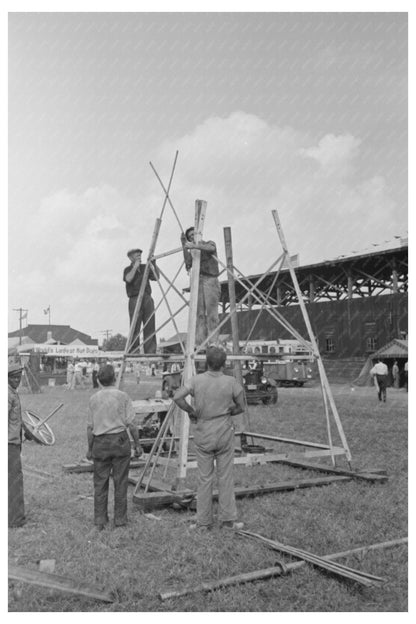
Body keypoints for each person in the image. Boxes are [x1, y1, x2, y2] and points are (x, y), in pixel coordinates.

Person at [173, 346, 245, 530]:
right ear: (224, 363)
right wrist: (230, 410)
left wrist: (191, 411)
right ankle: (228, 520)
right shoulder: (231, 381)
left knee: (204, 479)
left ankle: (203, 522)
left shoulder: (196, 380)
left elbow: (177, 396)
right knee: (225, 477)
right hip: (224, 432)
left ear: (206, 362)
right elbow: (241, 406)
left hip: (204, 432)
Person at [86, 364, 142, 530]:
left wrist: (90, 449)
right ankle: (120, 520)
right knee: (121, 482)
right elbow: (131, 424)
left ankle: (100, 520)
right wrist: (137, 445)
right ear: (114, 378)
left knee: (100, 483)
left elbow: (90, 428)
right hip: (120, 442)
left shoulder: (93, 399)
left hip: (100, 443)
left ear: (98, 380)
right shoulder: (123, 396)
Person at [181, 227, 221, 348]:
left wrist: (195, 246)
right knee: (199, 314)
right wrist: (184, 245)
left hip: (210, 279)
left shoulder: (208, 243)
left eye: (194, 234)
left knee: (212, 313)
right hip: (198, 281)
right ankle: (200, 343)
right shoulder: (192, 251)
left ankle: (213, 342)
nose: (193, 237)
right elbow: (188, 263)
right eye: (190, 236)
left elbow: (211, 248)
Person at [123, 248, 159, 353]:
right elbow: (128, 279)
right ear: (130, 257)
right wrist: (135, 267)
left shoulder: (145, 268)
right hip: (134, 298)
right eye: (136, 255)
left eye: (140, 254)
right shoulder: (127, 269)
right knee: (135, 325)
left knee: (150, 324)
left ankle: (150, 351)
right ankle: (134, 350)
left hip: (147, 297)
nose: (139, 256)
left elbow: (156, 277)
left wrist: (153, 264)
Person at [8, 362, 26, 528]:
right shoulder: (7, 394)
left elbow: (15, 418)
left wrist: (25, 429)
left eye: (18, 377)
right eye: (13, 377)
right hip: (9, 444)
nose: (17, 380)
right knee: (14, 481)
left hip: (12, 442)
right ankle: (15, 520)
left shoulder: (12, 392)